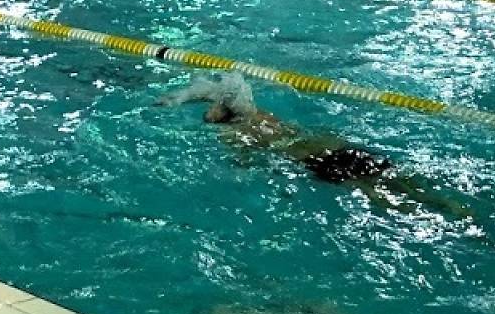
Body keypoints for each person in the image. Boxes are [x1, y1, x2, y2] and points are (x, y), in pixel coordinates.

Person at [157, 74, 467, 216]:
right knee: (399, 181)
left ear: (221, 113)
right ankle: (453, 206)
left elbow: (245, 166)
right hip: (339, 148)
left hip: (320, 163)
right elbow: (217, 91)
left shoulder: (234, 134)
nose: (208, 108)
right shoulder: (260, 114)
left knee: (377, 194)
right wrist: (181, 97)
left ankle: (429, 215)